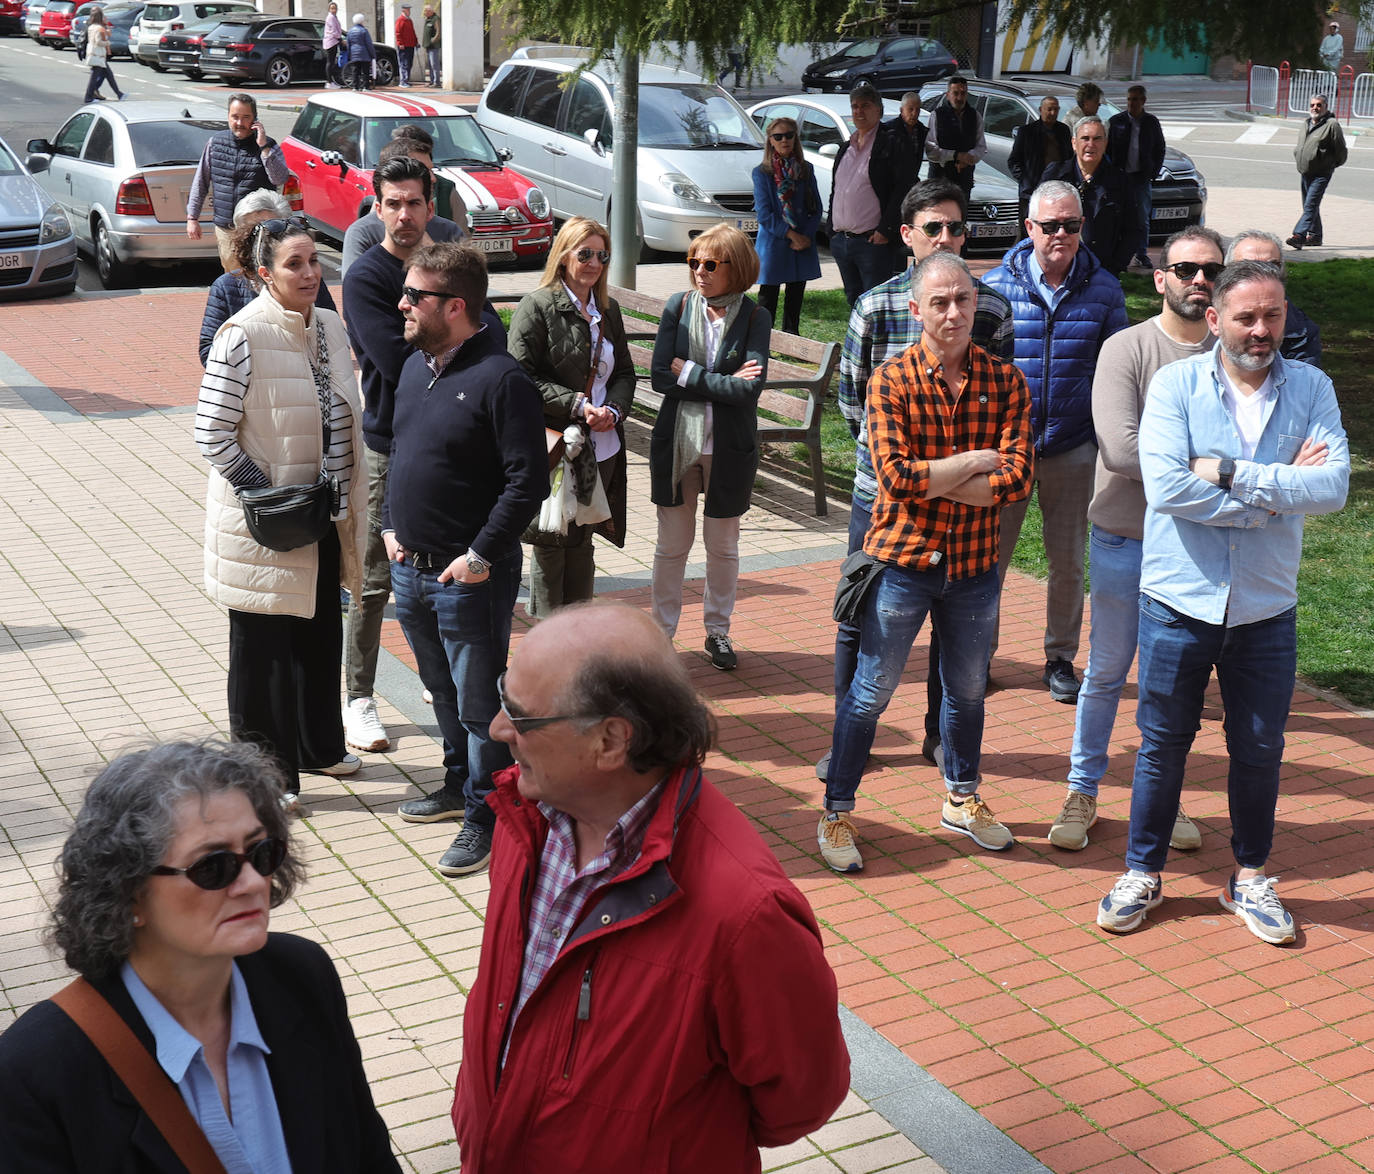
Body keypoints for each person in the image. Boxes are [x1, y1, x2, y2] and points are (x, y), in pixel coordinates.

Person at [451, 601, 850, 1169]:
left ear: (612, 741)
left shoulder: (746, 912)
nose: (496, 729)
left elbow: (800, 1098)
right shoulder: (527, 816)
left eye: (522, 716)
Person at [0, 740, 401, 1173]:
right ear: (129, 892)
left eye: (262, 852)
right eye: (213, 866)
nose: (251, 882)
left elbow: (369, 1157)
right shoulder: (36, 1071)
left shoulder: (302, 974)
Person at [1096, 261, 1349, 944]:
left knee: (1261, 748)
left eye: (1272, 316)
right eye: (1246, 317)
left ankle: (1252, 876)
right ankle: (1142, 870)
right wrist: (1275, 495)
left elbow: (1334, 488)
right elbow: (1168, 487)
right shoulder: (1175, 385)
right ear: (1215, 320)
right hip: (1178, 600)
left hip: (1265, 608)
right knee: (1162, 746)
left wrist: (1234, 474)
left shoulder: (1313, 388)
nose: (1261, 330)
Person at [819, 252, 1033, 873]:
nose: (954, 312)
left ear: (977, 303)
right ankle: (836, 811)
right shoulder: (890, 380)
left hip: (972, 568)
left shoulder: (1006, 382)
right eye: (939, 302)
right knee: (871, 691)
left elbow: (1017, 479)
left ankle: (962, 798)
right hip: (904, 563)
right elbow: (895, 478)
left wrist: (940, 474)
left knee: (966, 692)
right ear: (916, 310)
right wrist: (973, 462)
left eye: (963, 299)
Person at [827, 179, 1013, 784]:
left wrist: (931, 476)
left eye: (955, 228)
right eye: (932, 228)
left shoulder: (991, 309)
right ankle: (850, 741)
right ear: (907, 234)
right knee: (861, 621)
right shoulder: (875, 307)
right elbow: (853, 402)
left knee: (954, 629)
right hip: (878, 500)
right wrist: (911, 467)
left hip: (963, 521)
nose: (944, 238)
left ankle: (941, 739)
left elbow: (1004, 432)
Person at [1049, 226, 1224, 854]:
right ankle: (1081, 789)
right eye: (1184, 269)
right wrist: (1213, 469)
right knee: (1106, 671)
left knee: (1169, 681)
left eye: (1210, 269)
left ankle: (1162, 797)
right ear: (1160, 278)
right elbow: (1122, 451)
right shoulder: (1127, 348)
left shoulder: (1228, 356)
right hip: (1126, 536)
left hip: (1196, 543)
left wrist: (1209, 465)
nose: (1198, 279)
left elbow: (1253, 448)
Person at [383, 242, 547, 877]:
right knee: (440, 691)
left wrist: (480, 557)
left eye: (414, 297)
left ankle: (488, 813)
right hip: (411, 567)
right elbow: (398, 451)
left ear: (454, 306)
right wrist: (391, 526)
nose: (401, 305)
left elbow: (525, 483)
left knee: (481, 706)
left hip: (466, 577)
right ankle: (458, 786)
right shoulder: (414, 365)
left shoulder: (502, 380)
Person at [195, 218, 366, 810]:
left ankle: (320, 748)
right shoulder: (240, 335)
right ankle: (265, 776)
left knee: (318, 633)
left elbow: (346, 420)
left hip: (321, 516)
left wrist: (340, 499)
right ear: (264, 272)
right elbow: (211, 433)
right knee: (262, 647)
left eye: (315, 261)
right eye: (295, 263)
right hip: (262, 522)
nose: (311, 273)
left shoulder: (329, 327)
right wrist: (264, 492)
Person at [983, 180, 1129, 703]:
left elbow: (1117, 374)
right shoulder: (997, 286)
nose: (1061, 234)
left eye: (1071, 224)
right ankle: (980, 655)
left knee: (1067, 561)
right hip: (1010, 450)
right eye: (1051, 226)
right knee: (989, 559)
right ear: (1030, 228)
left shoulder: (1105, 289)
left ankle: (1060, 657)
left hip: (1073, 446)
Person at [341, 155, 444, 755]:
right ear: (377, 208)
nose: (404, 214)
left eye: (414, 202)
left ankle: (438, 678)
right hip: (389, 443)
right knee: (375, 578)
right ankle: (359, 698)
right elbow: (398, 362)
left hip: (449, 441)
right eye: (393, 203)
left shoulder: (445, 266)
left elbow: (485, 337)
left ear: (431, 206)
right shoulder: (367, 278)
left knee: (439, 567)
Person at [649, 224, 770, 672]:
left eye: (710, 264)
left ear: (735, 269)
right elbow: (661, 376)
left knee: (722, 547)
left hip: (729, 450)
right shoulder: (677, 307)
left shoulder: (755, 317)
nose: (699, 271)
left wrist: (691, 375)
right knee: (671, 547)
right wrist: (722, 382)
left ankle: (718, 632)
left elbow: (748, 393)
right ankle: (662, 634)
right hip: (678, 444)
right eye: (693, 262)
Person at [508, 217, 635, 615]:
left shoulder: (607, 310)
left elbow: (626, 372)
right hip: (556, 443)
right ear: (563, 256)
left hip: (603, 445)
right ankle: (550, 647)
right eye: (585, 254)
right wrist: (577, 405)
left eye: (602, 254)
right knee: (552, 540)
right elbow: (518, 376)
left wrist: (613, 410)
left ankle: (579, 638)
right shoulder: (538, 306)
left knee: (583, 540)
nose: (594, 262)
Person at [198, 190, 337, 366]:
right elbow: (208, 351)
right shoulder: (226, 286)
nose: (261, 239)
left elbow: (333, 339)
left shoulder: (308, 280)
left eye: (271, 230)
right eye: (253, 231)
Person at [828, 81, 918, 305]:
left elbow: (903, 189)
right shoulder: (845, 147)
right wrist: (832, 230)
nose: (859, 111)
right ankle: (858, 341)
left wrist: (885, 230)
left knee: (876, 304)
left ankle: (876, 342)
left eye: (865, 106)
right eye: (855, 106)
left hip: (873, 243)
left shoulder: (892, 142)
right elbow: (836, 190)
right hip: (843, 242)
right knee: (853, 302)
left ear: (878, 110)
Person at [186, 93, 288, 273]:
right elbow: (200, 181)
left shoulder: (268, 145)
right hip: (227, 228)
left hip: (259, 229)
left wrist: (263, 147)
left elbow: (279, 179)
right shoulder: (215, 143)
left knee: (261, 275)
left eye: (245, 117)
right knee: (233, 277)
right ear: (228, 117)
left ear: (255, 119)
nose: (239, 123)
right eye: (235, 117)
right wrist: (192, 218)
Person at [340, 131, 465, 276]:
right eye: (423, 170)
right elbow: (356, 288)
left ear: (430, 209)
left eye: (431, 170)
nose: (433, 178)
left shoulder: (449, 230)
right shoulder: (362, 233)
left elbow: (469, 288)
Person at [752, 115, 822, 335]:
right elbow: (764, 214)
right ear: (770, 141)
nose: (784, 140)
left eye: (789, 135)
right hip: (776, 241)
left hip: (802, 241)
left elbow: (816, 207)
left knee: (796, 293)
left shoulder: (806, 169)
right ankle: (763, 340)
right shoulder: (762, 173)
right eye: (778, 136)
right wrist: (791, 235)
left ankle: (792, 338)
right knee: (768, 297)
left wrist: (806, 236)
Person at [1042, 115, 1135, 276]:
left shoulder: (1120, 181)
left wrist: (1116, 265)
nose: (1091, 144)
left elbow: (1134, 229)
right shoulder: (1055, 175)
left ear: (1105, 143)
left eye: (1097, 139)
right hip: (1057, 267)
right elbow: (1038, 219)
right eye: (1085, 138)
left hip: (1102, 270)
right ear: (1074, 143)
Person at [1225, 230, 1322, 367]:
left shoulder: (1301, 331)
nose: (1260, 275)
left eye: (1271, 267)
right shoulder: (1199, 317)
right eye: (1247, 268)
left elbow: (1303, 385)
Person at [1106, 85, 1165, 270]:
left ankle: (1141, 254)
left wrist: (1153, 172)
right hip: (1120, 177)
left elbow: (1159, 148)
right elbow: (1108, 150)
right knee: (1118, 216)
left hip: (1141, 178)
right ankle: (1118, 255)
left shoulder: (1151, 122)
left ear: (1143, 101)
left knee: (1141, 218)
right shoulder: (1116, 121)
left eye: (1136, 99)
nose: (1132, 103)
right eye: (1130, 99)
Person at [1288, 93, 1346, 250]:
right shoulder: (1306, 123)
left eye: (1319, 105)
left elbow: (1341, 150)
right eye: (1312, 105)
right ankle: (1315, 236)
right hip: (1305, 171)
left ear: (1326, 107)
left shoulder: (1332, 125)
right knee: (1310, 205)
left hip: (1322, 173)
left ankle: (1299, 236)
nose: (1315, 108)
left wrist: (1331, 165)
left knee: (1310, 205)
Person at [1007, 96, 1071, 226]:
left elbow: (1069, 158)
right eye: (1049, 109)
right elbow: (1013, 161)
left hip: (1057, 188)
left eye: (1055, 109)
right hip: (1031, 190)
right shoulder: (1027, 132)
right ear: (1041, 110)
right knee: (1030, 227)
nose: (1052, 113)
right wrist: (1025, 179)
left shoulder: (1063, 130)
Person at [924, 75, 986, 198]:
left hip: (964, 181)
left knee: (961, 216)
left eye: (963, 93)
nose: (959, 97)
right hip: (939, 181)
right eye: (955, 93)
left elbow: (981, 147)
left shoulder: (975, 116)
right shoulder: (937, 115)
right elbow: (930, 150)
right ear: (948, 94)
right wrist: (956, 155)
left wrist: (968, 158)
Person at [82, 8, 126, 103]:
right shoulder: (98, 28)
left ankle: (119, 94)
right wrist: (107, 43)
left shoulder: (91, 27)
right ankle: (88, 97)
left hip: (93, 54)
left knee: (108, 74)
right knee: (95, 77)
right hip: (98, 55)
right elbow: (98, 42)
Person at [884, 90, 928, 160]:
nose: (914, 113)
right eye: (910, 109)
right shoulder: (889, 130)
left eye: (917, 110)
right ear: (901, 110)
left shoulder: (922, 131)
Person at [345, 13, 375, 91]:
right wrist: (373, 54)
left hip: (354, 54)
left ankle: (355, 86)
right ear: (362, 21)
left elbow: (348, 44)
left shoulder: (350, 32)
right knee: (365, 71)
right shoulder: (364, 31)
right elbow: (369, 44)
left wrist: (349, 55)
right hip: (364, 54)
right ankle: (366, 87)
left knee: (355, 71)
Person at [393, 1, 416, 87]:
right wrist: (400, 43)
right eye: (408, 9)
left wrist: (415, 42)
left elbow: (412, 32)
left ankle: (406, 79)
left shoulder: (409, 20)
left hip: (410, 45)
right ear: (403, 10)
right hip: (403, 46)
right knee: (404, 64)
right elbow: (398, 32)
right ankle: (403, 81)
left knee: (409, 63)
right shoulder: (400, 20)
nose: (409, 11)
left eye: (409, 9)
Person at [323, 1, 344, 88]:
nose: (334, 10)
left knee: (331, 62)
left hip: (333, 41)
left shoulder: (334, 17)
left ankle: (330, 81)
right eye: (332, 8)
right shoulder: (331, 18)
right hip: (331, 42)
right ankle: (329, 82)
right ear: (329, 9)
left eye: (335, 8)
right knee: (330, 62)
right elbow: (334, 31)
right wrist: (340, 38)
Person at [420, 3, 440, 86]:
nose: (424, 12)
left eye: (426, 11)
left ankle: (437, 82)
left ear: (430, 11)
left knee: (434, 64)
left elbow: (438, 32)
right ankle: (432, 81)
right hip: (428, 46)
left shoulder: (436, 19)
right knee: (430, 65)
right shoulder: (427, 19)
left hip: (433, 46)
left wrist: (432, 41)